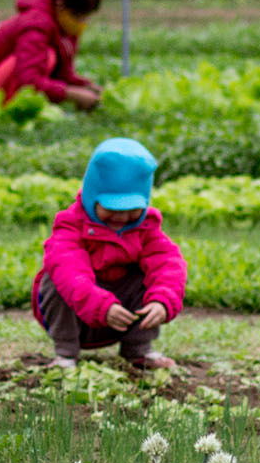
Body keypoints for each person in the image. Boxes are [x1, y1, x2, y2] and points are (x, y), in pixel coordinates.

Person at [32, 138, 186, 371]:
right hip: (78, 317)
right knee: (56, 278)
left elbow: (168, 264)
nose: (122, 219)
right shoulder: (70, 225)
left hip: (122, 319)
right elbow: (70, 271)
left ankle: (139, 349)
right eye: (112, 210)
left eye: (133, 211)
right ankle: (65, 354)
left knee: (147, 275)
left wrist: (162, 301)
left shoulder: (147, 228)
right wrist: (100, 306)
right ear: (91, 195)